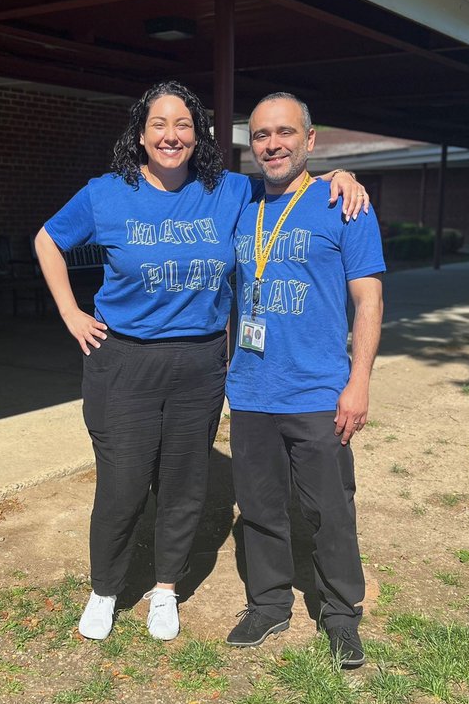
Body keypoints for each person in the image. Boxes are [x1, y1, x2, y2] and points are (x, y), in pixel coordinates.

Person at [34, 80, 367, 643]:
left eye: (183, 124)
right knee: (123, 483)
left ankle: (166, 590)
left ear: (199, 135)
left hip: (201, 360)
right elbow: (48, 240)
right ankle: (105, 589)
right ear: (140, 135)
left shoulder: (228, 191)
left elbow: (287, 179)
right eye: (159, 124)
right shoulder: (105, 193)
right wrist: (70, 314)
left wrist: (341, 176)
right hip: (125, 363)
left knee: (185, 484)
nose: (171, 135)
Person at [224, 92, 385, 668]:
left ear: (310, 140)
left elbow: (368, 301)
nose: (273, 144)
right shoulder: (240, 204)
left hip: (319, 391)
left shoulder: (344, 204)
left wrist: (358, 381)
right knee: (260, 506)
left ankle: (341, 614)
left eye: (285, 133)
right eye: (261, 135)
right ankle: (268, 603)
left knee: (329, 509)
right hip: (250, 391)